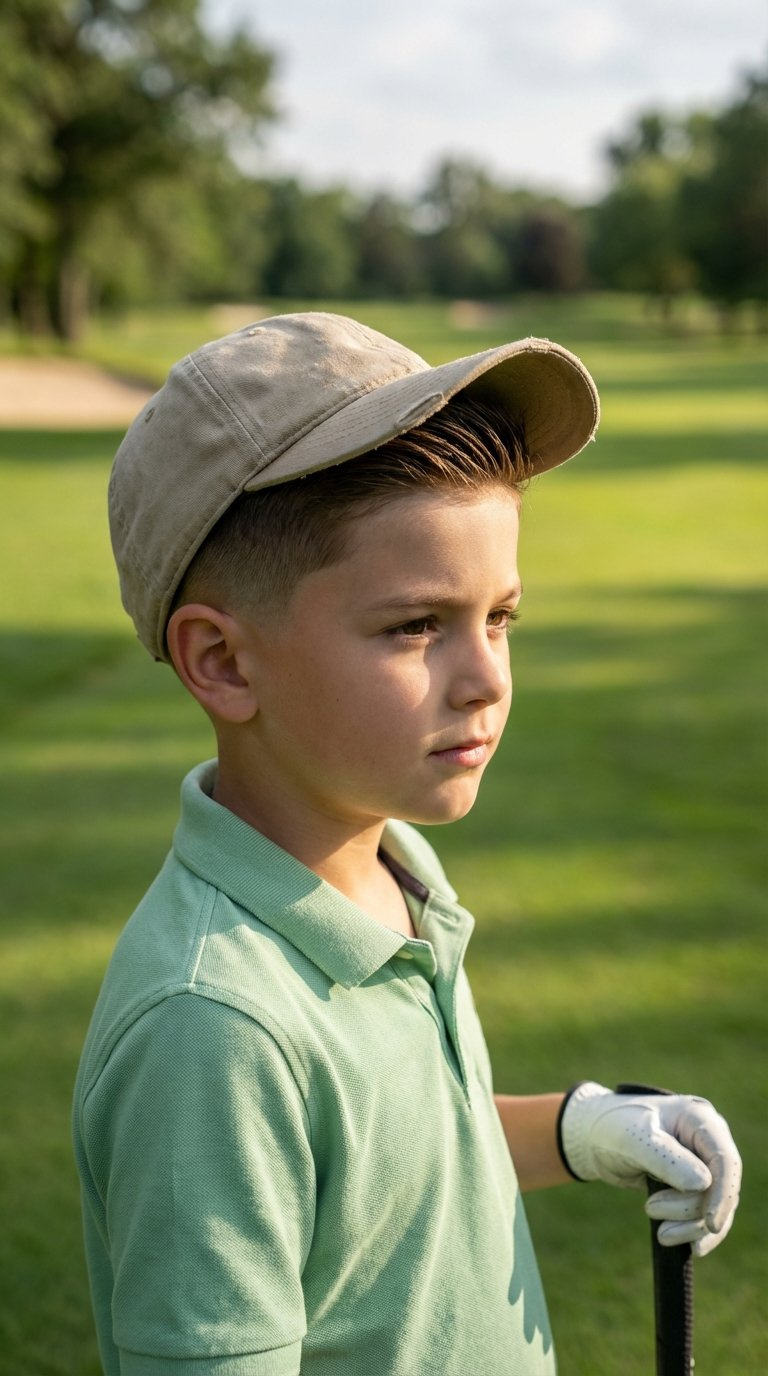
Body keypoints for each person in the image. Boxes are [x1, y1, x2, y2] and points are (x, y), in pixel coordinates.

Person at [73, 312, 741, 1376]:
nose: (486, 677)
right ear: (225, 663)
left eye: (502, 617)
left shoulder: (388, 877)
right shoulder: (212, 1027)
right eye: (416, 625)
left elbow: (394, 1166)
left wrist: (578, 1128)